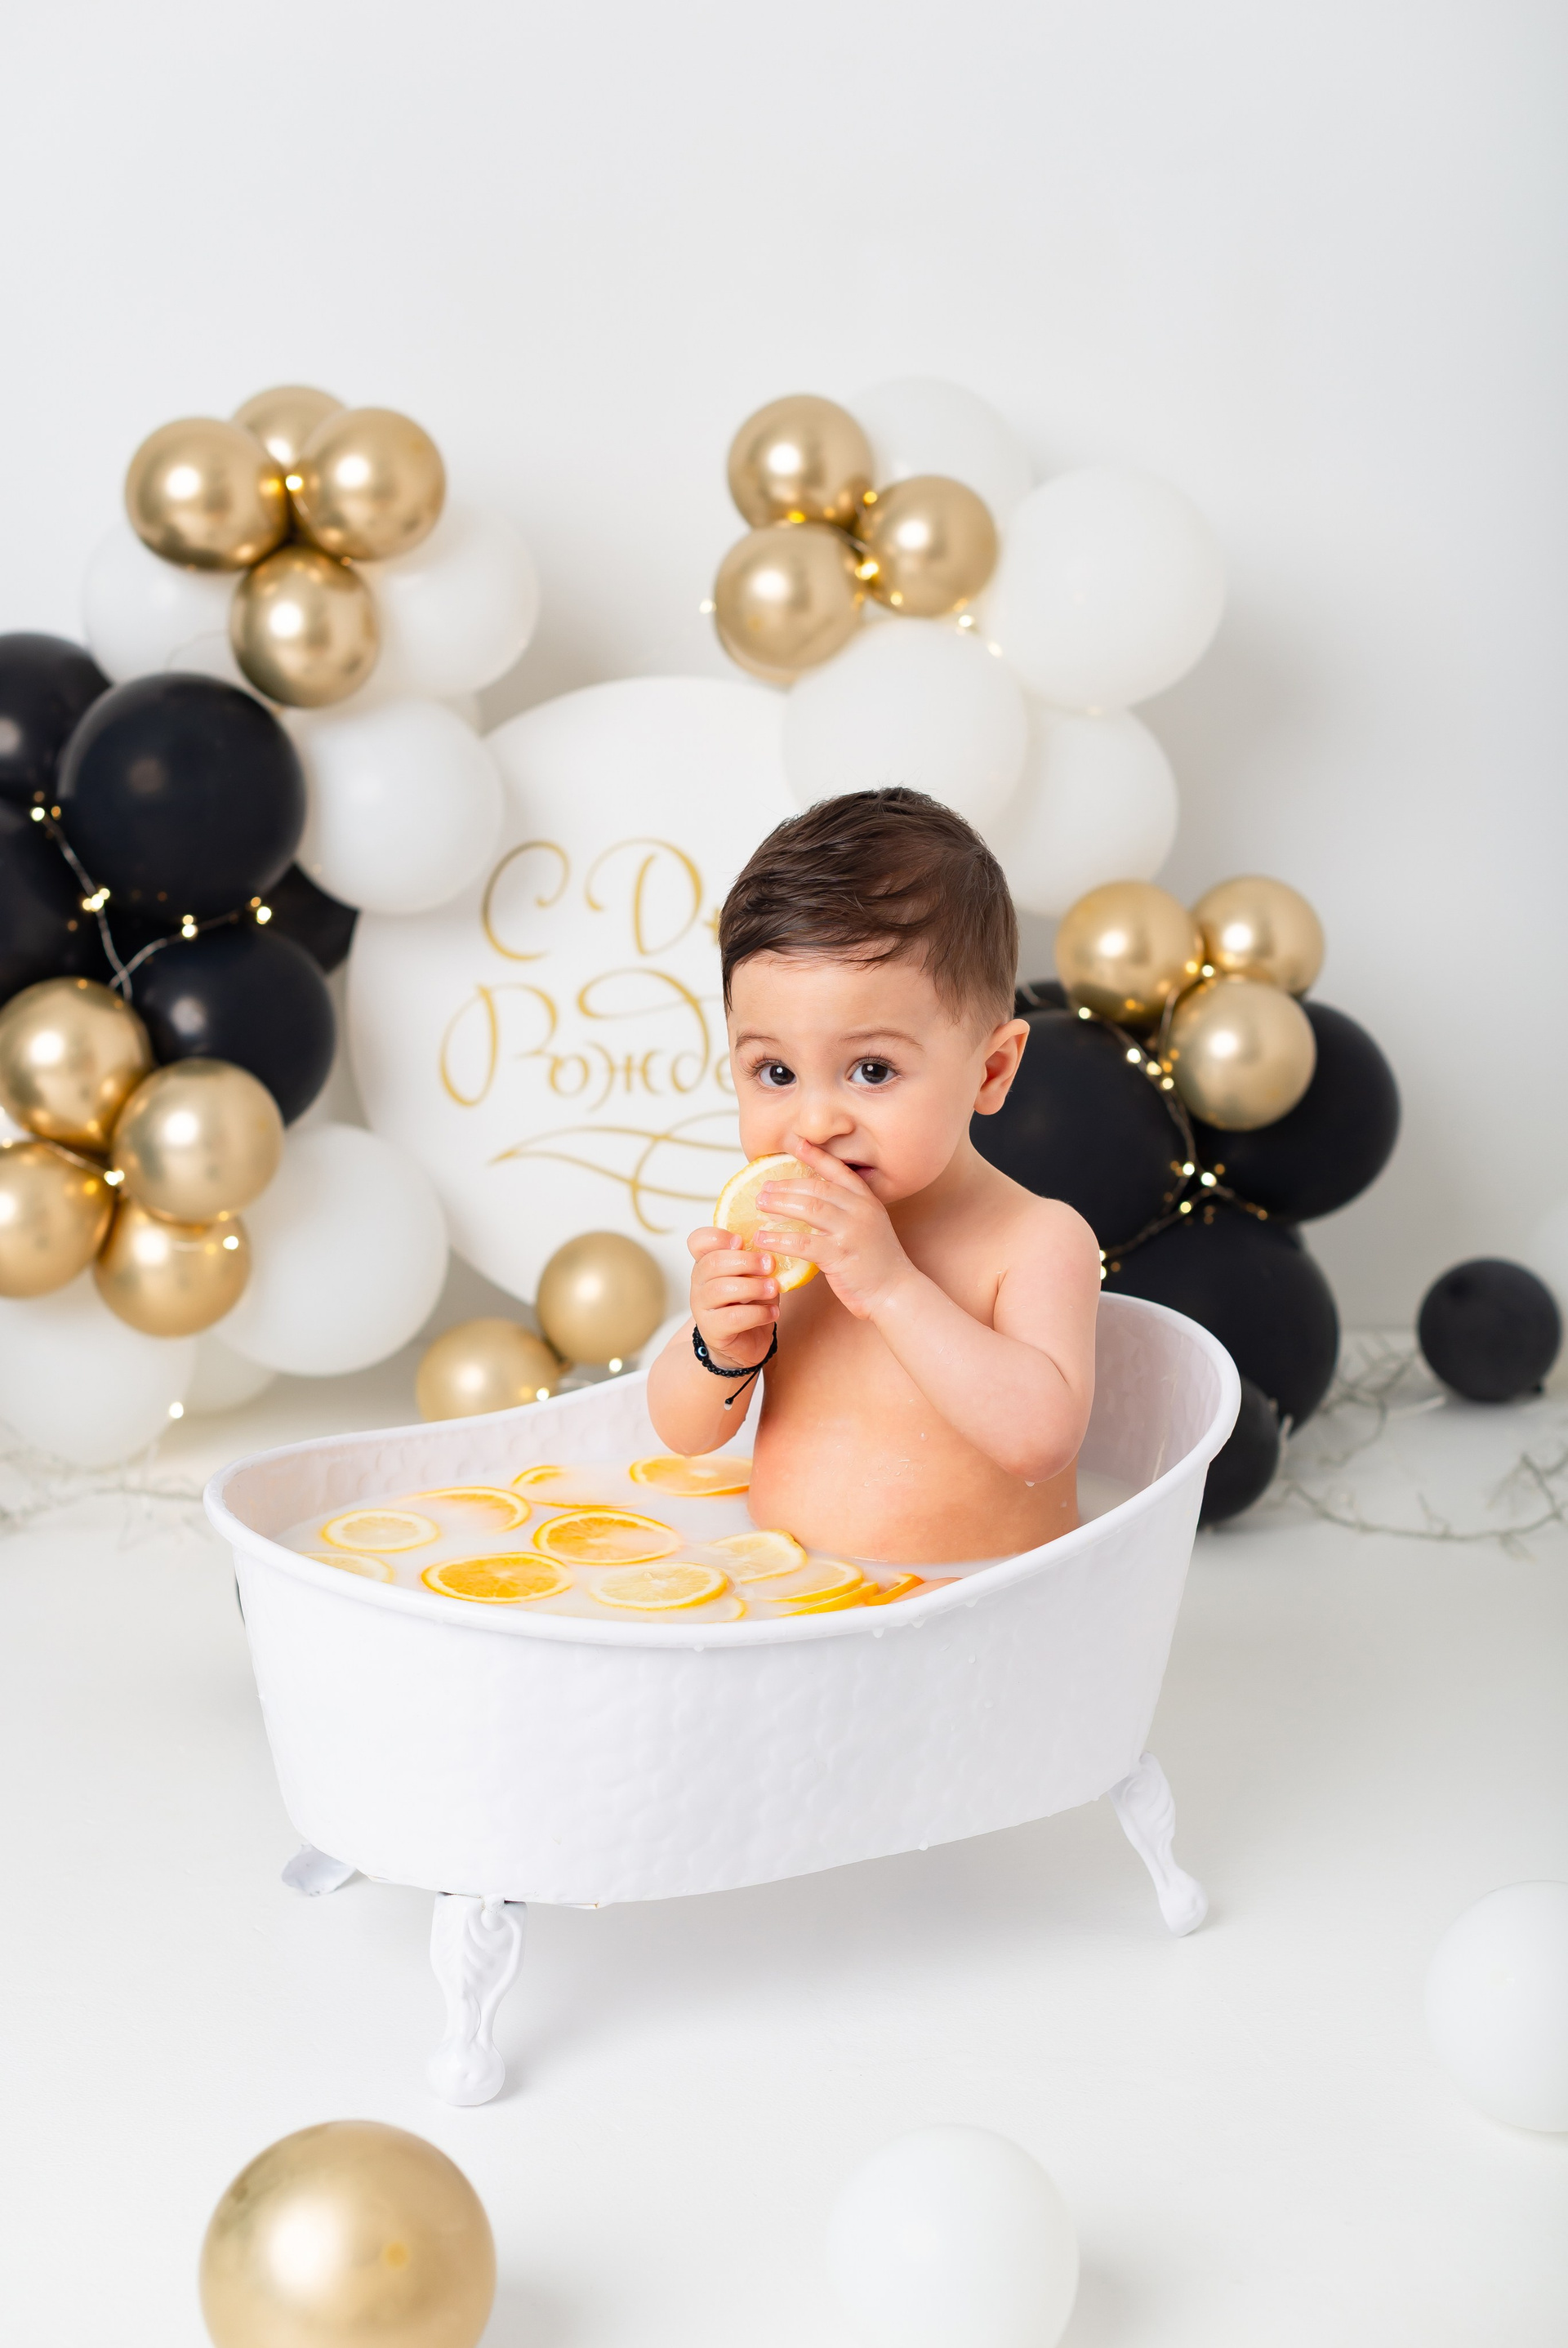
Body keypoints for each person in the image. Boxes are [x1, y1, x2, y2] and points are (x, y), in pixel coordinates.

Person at [646, 786, 1101, 1566]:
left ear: (991, 1070)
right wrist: (719, 1345)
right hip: (790, 1589)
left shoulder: (1034, 1241)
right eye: (776, 1071)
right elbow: (685, 1435)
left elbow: (1039, 1440)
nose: (817, 1120)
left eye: (872, 1069)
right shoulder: (784, 1233)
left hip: (974, 1599)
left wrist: (891, 1286)